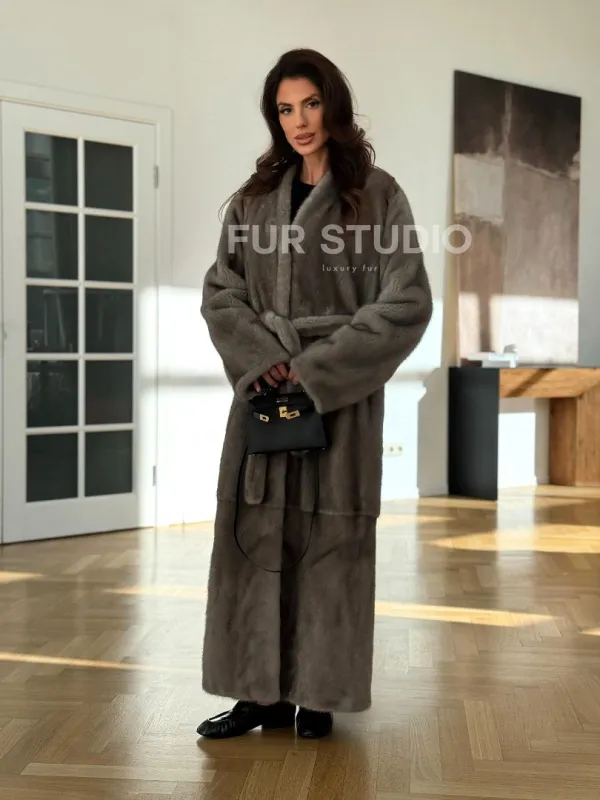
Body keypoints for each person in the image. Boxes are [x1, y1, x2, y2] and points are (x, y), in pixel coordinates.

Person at [196, 48, 432, 740]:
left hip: (338, 401)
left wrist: (320, 369)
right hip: (265, 389)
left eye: (310, 103)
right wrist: (264, 358)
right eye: (284, 109)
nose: (298, 121)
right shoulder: (252, 200)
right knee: (255, 537)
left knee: (331, 544)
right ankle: (257, 694)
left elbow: (407, 301)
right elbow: (221, 291)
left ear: (333, 105)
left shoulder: (377, 195)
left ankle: (317, 693)